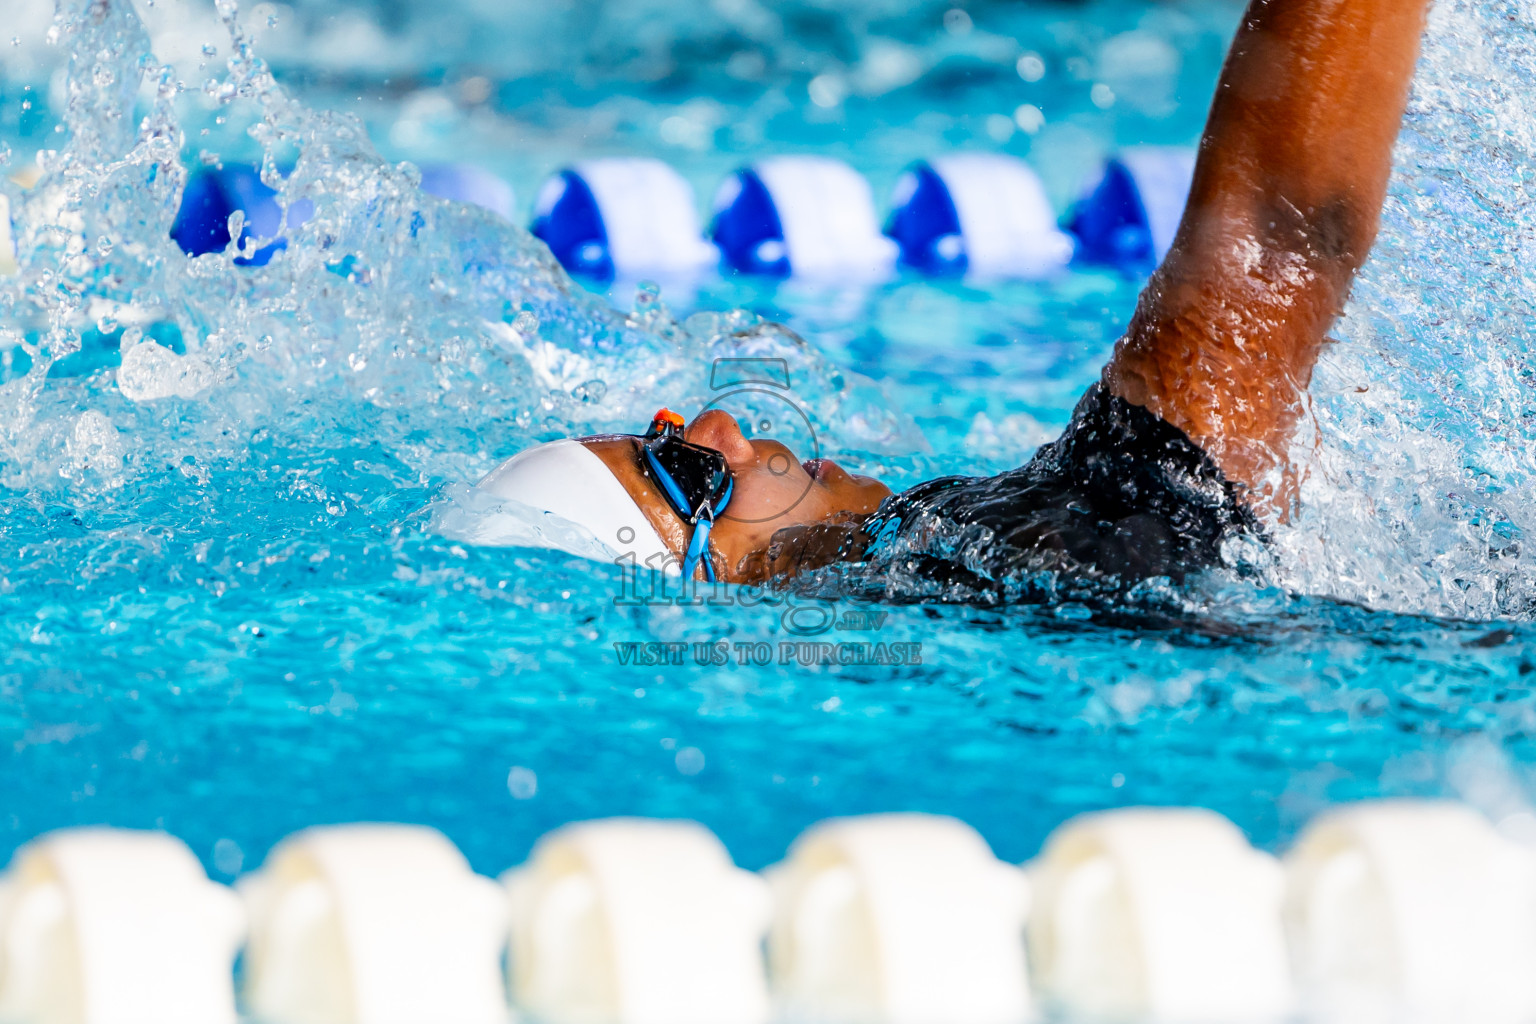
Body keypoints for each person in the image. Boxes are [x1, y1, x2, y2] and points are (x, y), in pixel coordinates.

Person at [470, 0, 1432, 600]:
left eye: (675, 426)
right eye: (684, 471)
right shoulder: (1049, 550)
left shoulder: (985, 564)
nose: (719, 423)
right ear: (708, 582)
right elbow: (1281, 231)